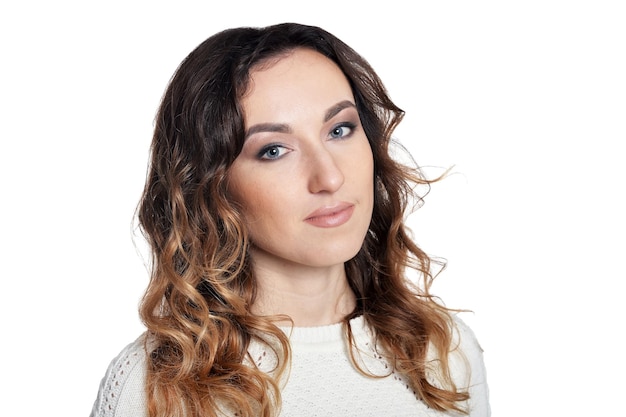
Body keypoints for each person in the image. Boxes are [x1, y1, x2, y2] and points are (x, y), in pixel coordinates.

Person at [90, 22, 490, 417]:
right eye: (274, 150)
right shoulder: (153, 387)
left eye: (340, 129)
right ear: (210, 187)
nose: (330, 177)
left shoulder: (446, 353)